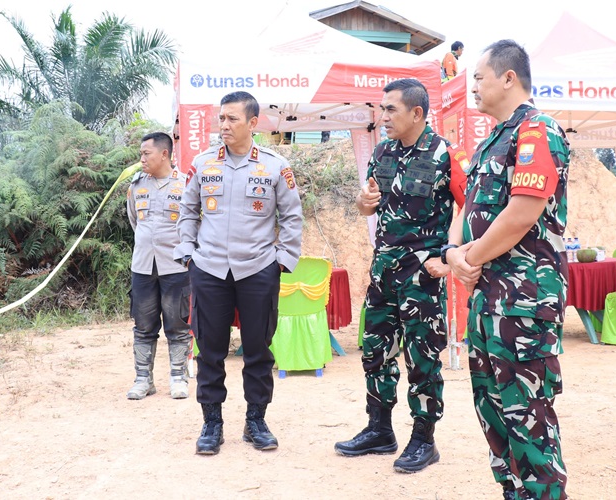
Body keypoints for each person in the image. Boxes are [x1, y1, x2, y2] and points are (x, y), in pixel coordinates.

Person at [443, 39, 569, 499]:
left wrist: (469, 259)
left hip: (523, 302)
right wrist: (454, 253)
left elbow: (521, 214)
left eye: (478, 77)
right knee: (494, 412)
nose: (472, 86)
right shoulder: (492, 140)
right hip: (488, 300)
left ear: (508, 78)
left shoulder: (537, 131)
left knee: (528, 417)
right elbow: (468, 208)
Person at [334, 78, 467, 474]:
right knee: (376, 351)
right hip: (384, 269)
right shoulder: (382, 152)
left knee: (422, 357)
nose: (383, 116)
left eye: (391, 109)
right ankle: (379, 429)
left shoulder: (446, 154)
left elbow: (470, 209)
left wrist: (447, 258)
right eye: (382, 108)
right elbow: (367, 207)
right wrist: (362, 202)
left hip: (422, 274)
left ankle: (424, 439)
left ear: (417, 113)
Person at [174, 91, 303, 456]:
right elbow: (187, 212)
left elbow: (292, 216)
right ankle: (211, 423)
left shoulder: (276, 166)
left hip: (258, 268)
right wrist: (188, 254)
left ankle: (256, 421)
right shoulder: (202, 165)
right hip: (210, 268)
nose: (224, 125)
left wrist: (282, 259)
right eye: (221, 118)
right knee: (210, 349)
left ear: (252, 123)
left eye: (232, 119)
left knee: (259, 350)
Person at [125, 131, 191, 400]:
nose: (141, 159)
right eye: (141, 154)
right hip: (142, 266)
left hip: (176, 266)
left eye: (146, 153)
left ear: (164, 154)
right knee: (143, 325)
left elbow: (195, 224)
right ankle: (143, 379)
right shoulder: (137, 185)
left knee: (177, 324)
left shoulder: (186, 185)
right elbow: (134, 220)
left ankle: (178, 377)